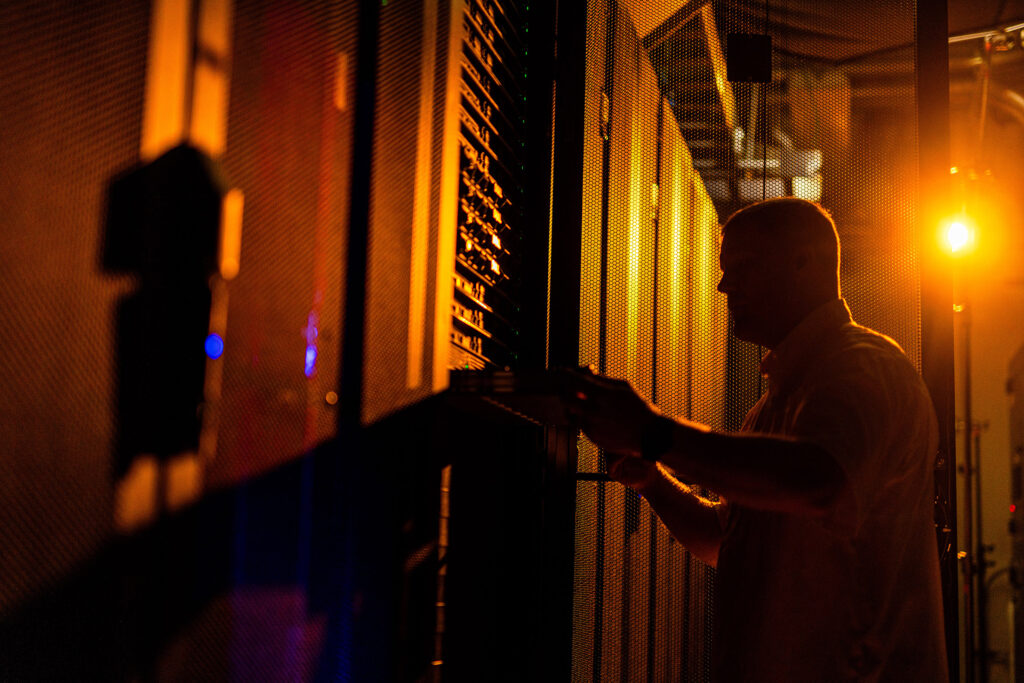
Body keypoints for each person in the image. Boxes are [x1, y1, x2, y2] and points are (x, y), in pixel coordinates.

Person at [566, 198, 948, 682]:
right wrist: (651, 478)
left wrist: (653, 431)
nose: (725, 286)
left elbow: (817, 480)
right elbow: (725, 541)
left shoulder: (863, 367)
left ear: (804, 262)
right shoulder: (773, 407)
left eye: (743, 267)